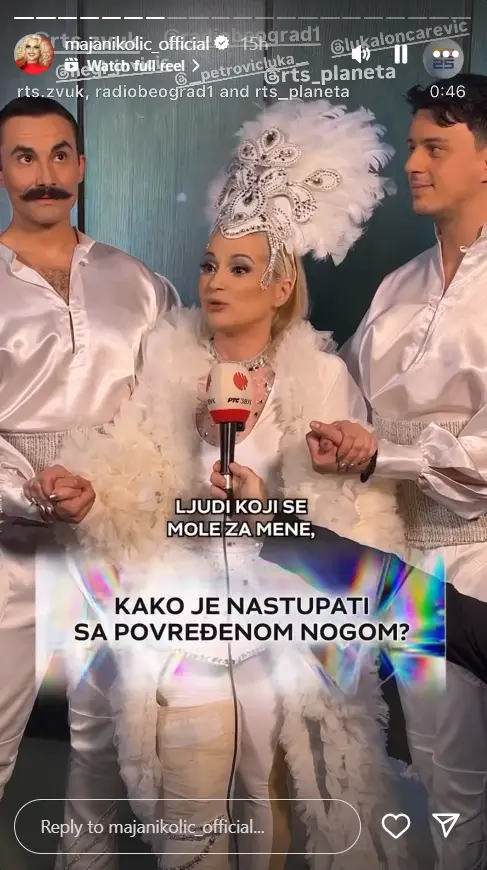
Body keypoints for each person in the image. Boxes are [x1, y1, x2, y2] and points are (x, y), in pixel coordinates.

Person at [55, 100, 414, 869]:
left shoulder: (322, 380)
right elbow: (131, 484)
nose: (215, 281)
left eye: (239, 268)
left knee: (268, 797)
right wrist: (90, 497)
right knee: (188, 805)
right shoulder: (165, 364)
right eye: (209, 264)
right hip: (183, 620)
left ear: (279, 287)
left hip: (279, 623)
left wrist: (272, 507)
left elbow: (356, 531)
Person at [307, 73, 487, 870]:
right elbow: (348, 401)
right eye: (412, 146)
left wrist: (386, 454)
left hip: (481, 551)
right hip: (405, 561)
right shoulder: (397, 286)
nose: (411, 163)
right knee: (446, 778)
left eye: (433, 148)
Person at [0, 95, 180, 867]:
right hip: (8, 545)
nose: (45, 174)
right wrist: (30, 492)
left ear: (81, 163)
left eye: (59, 154)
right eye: (24, 156)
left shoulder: (137, 281)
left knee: (105, 736)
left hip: (112, 538)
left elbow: (167, 410)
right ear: (2, 170)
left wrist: (104, 491)